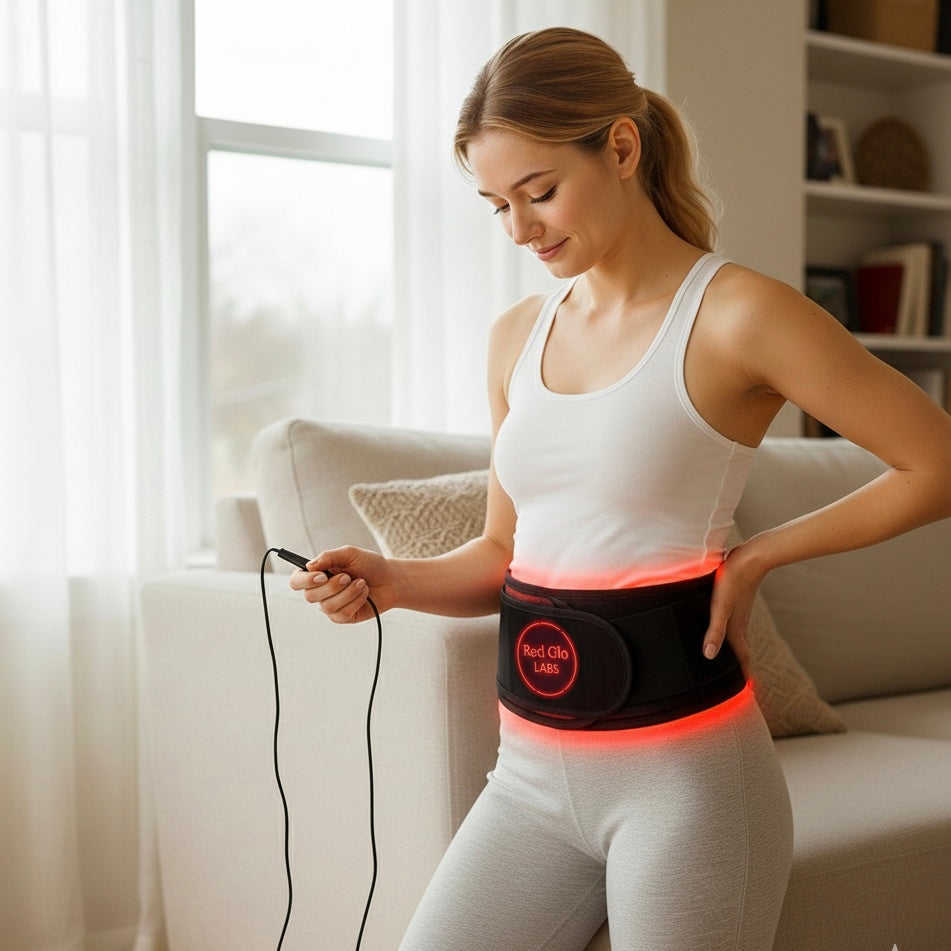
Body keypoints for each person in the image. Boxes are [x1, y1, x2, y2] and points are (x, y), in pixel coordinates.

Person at [290, 27, 951, 951]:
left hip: (688, 786)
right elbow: (503, 552)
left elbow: (936, 462)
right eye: (495, 205)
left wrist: (762, 552)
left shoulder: (737, 314)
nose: (520, 229)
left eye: (539, 192)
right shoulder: (516, 335)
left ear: (622, 147)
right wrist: (391, 579)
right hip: (525, 781)